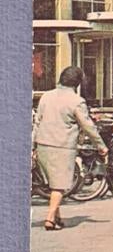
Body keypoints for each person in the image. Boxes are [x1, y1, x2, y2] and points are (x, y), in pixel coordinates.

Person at [33, 66, 108, 230]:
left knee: (53, 184)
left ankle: (57, 217)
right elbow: (88, 126)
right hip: (62, 146)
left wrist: (33, 145)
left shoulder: (46, 96)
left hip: (43, 144)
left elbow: (37, 122)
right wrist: (101, 146)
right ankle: (50, 218)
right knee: (60, 185)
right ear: (77, 83)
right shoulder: (76, 101)